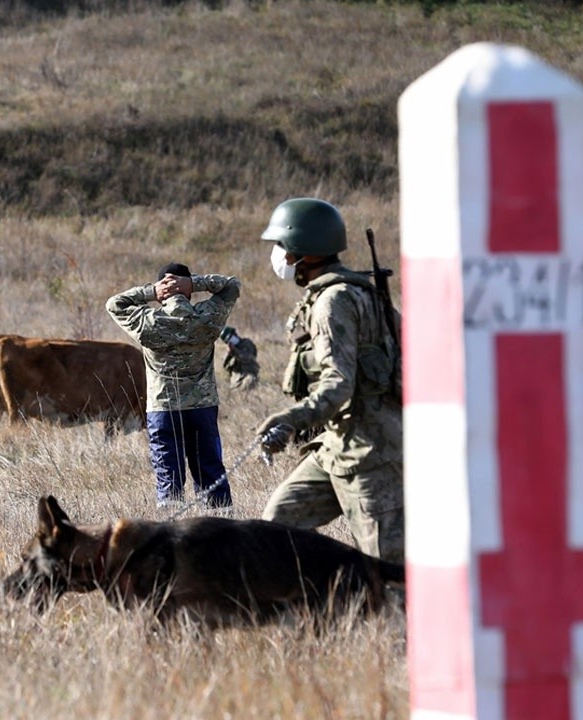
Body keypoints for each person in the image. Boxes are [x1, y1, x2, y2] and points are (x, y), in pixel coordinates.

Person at [254, 197, 403, 562]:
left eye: (280, 245)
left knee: (386, 566)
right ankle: (316, 607)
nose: (277, 254)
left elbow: (338, 383)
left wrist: (290, 420)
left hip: (371, 452)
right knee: (277, 524)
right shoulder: (351, 291)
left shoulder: (333, 302)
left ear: (298, 251)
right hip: (336, 444)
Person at [106, 262, 240, 509]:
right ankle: (221, 533)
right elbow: (232, 286)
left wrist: (150, 292)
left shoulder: (148, 321)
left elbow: (114, 304)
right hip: (202, 408)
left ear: (160, 295)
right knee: (211, 474)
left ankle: (169, 534)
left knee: (168, 481)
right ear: (188, 292)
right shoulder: (206, 317)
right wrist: (195, 283)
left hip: (163, 410)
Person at [219, 326, 260, 390]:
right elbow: (225, 366)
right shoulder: (230, 351)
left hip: (249, 374)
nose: (231, 340)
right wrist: (229, 353)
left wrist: (235, 351)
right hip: (236, 379)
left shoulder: (247, 343)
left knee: (249, 383)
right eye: (228, 340)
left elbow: (247, 358)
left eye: (231, 337)